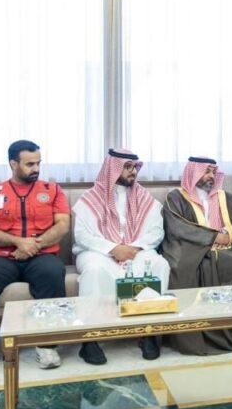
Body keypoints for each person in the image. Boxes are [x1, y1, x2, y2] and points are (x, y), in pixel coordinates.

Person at [0, 140, 71, 377]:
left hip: (41, 254)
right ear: (13, 164)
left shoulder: (53, 190)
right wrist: (18, 242)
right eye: (29, 164)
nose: (36, 168)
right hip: (3, 256)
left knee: (53, 272)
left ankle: (46, 346)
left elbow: (62, 225)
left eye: (38, 163)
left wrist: (34, 245)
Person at [72, 149, 169, 364]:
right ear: (112, 169)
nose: (133, 171)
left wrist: (132, 248)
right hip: (97, 252)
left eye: (135, 167)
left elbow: (156, 231)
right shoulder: (91, 198)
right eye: (127, 167)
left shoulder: (144, 197)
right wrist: (113, 248)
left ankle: (149, 332)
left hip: (136, 250)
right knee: (95, 271)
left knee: (159, 265)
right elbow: (82, 235)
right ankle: (90, 339)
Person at [161, 156, 232, 355]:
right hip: (193, 249)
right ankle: (198, 332)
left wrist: (228, 235)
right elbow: (177, 228)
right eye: (206, 171)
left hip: (226, 249)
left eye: (213, 172)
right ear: (194, 172)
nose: (211, 176)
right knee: (189, 266)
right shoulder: (176, 198)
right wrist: (211, 238)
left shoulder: (224, 198)